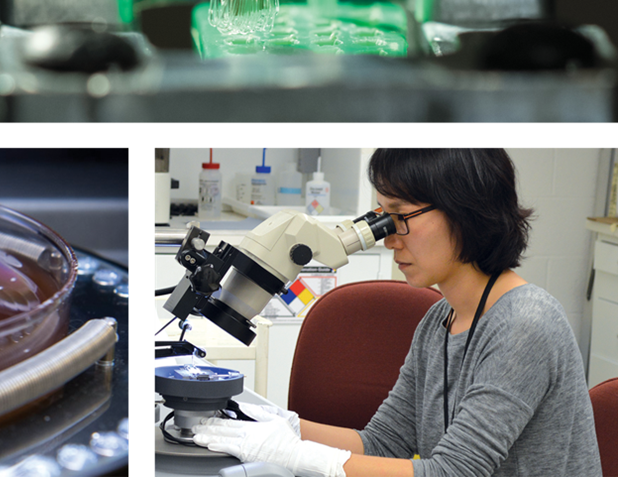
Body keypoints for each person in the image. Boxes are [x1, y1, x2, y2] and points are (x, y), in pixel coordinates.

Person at [193, 148, 603, 477]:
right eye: (383, 218)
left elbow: (454, 471)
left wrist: (300, 455)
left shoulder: (525, 326)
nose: (389, 240)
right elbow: (383, 442)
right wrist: (280, 425)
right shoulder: (438, 321)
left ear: (466, 211)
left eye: (400, 217)